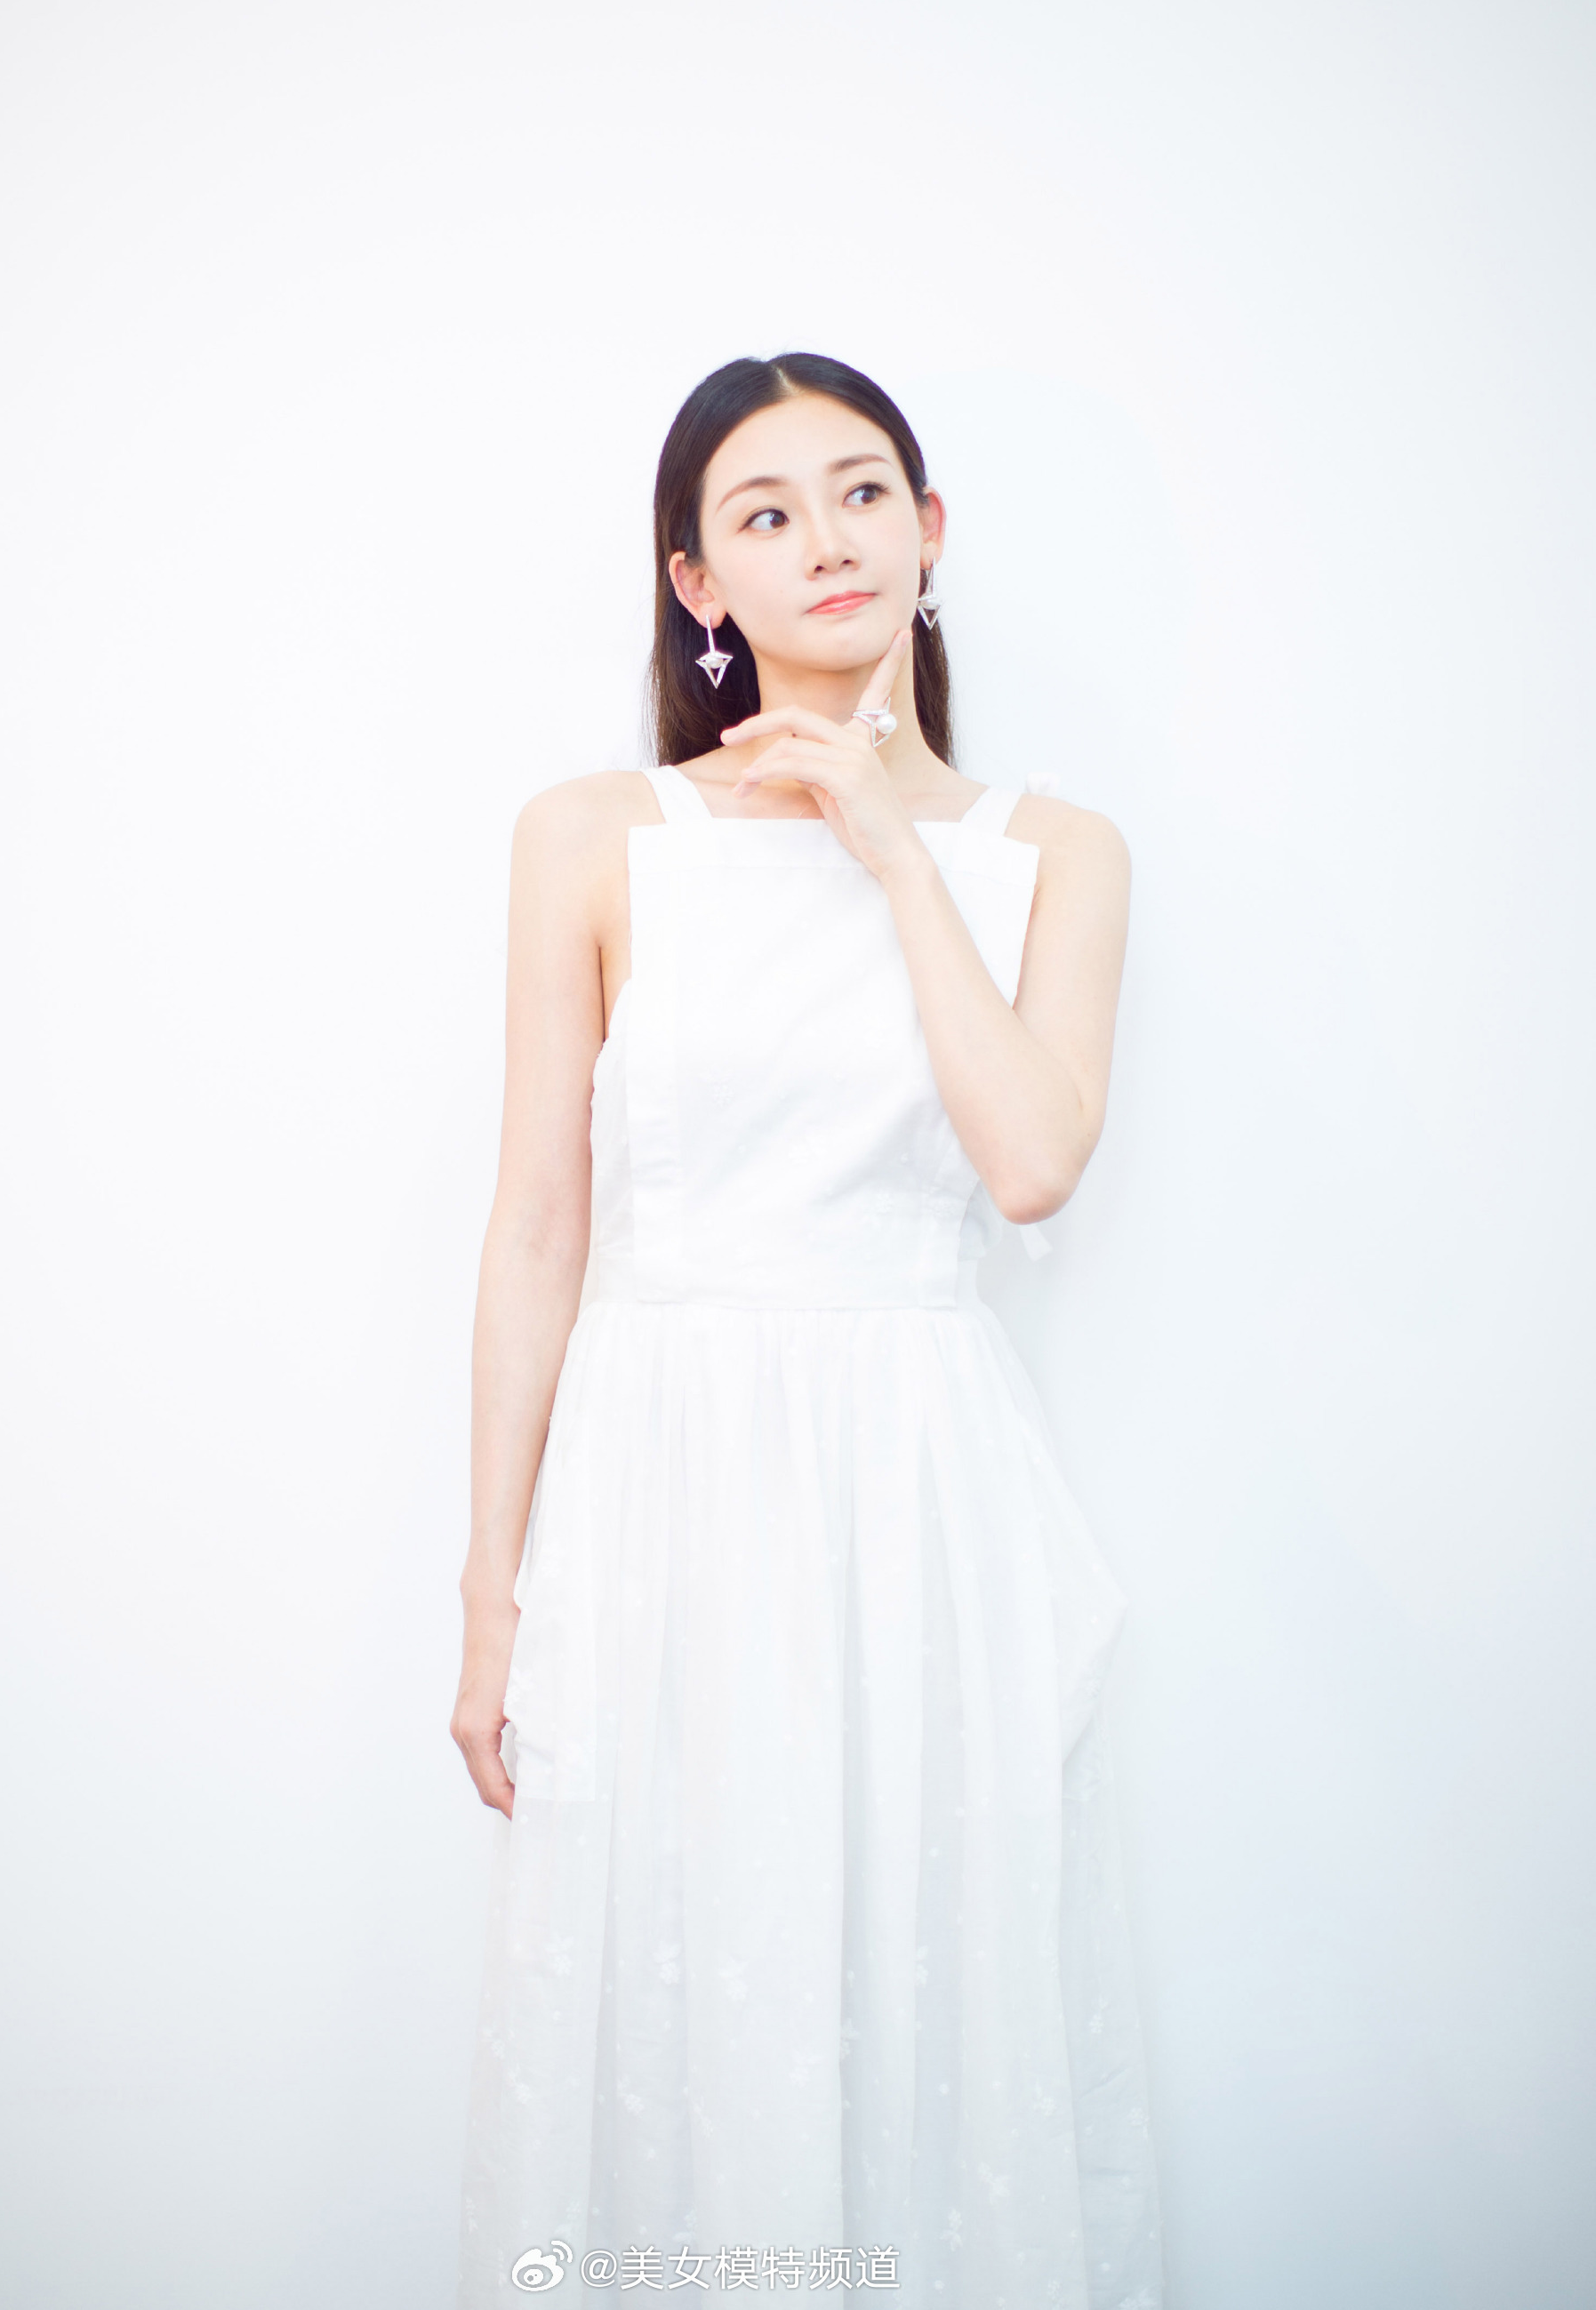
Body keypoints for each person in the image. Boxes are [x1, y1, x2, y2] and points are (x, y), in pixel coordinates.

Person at [451, 353, 1163, 2307]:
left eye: (861, 493)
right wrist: (491, 1588)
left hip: (919, 1490)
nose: (824, 539)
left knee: (930, 1989)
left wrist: (891, 848)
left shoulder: (1058, 850)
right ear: (699, 582)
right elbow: (535, 1224)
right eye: (762, 513)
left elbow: (1031, 1162)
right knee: (676, 1984)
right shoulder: (593, 835)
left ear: (927, 535)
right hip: (663, 1482)